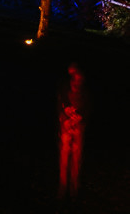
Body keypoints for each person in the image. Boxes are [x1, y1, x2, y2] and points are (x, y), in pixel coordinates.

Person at [58, 62, 88, 199]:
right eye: (72, 75)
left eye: (77, 74)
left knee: (76, 157)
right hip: (66, 125)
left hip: (79, 126)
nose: (76, 79)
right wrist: (66, 112)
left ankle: (74, 189)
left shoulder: (86, 89)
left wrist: (80, 115)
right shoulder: (65, 86)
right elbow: (61, 100)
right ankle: (63, 188)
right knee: (65, 157)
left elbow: (89, 105)